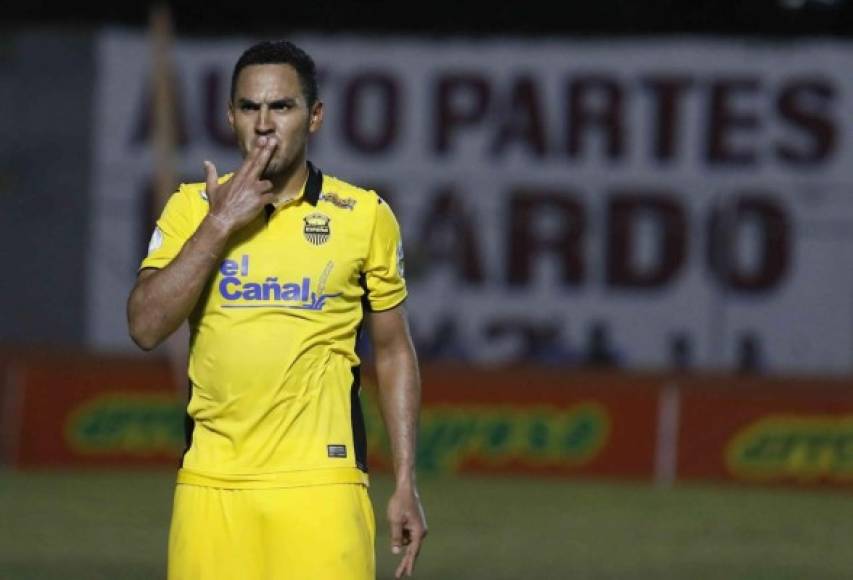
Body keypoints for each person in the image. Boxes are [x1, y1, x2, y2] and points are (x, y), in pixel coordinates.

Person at [127, 40, 427, 580]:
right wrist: (220, 225)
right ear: (230, 116)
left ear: (314, 117)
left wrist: (405, 479)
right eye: (249, 107)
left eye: (282, 107)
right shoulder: (190, 208)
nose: (264, 123)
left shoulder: (363, 215)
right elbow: (146, 327)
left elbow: (392, 349)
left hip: (323, 487)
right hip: (209, 486)